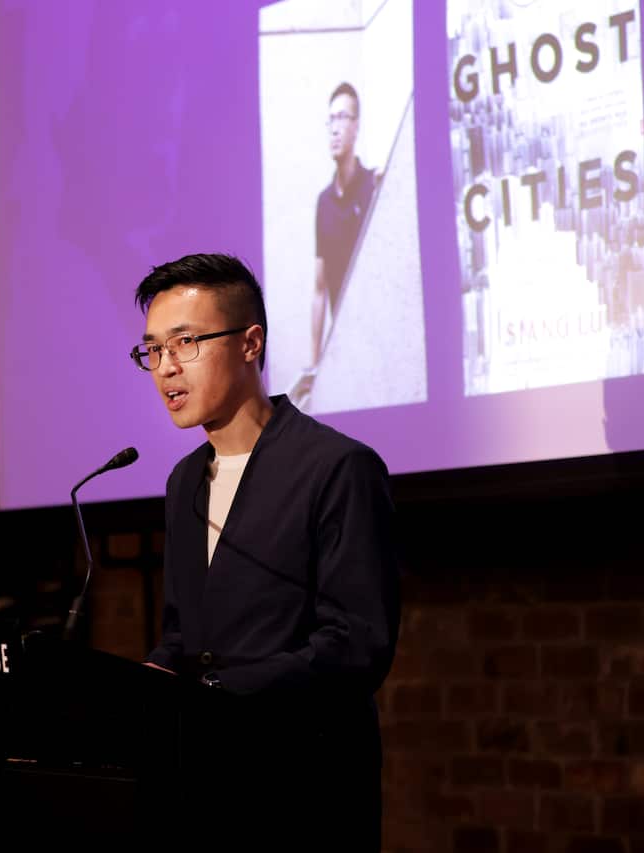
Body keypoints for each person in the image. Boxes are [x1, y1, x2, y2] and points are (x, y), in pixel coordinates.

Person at [131, 253, 399, 849]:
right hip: (202, 786)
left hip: (303, 786)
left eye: (185, 343)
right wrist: (141, 683)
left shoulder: (336, 467)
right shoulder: (183, 482)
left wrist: (221, 693)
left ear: (250, 343)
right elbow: (184, 634)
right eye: (153, 350)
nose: (166, 369)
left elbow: (357, 644)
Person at [310, 82, 378, 371]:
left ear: (356, 126)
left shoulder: (374, 187)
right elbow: (319, 289)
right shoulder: (323, 203)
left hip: (376, 338)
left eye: (343, 118)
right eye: (331, 120)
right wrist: (314, 366)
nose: (335, 128)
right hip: (343, 349)